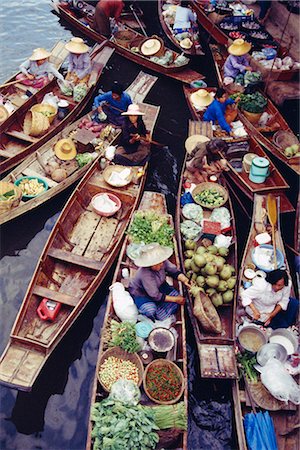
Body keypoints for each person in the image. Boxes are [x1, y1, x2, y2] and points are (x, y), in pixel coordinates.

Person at [129, 243, 191, 321]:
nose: (162, 264)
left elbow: (173, 271)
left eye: (161, 262)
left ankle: (161, 309)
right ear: (150, 265)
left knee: (177, 295)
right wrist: (175, 299)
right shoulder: (145, 274)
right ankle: (158, 312)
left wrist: (184, 280)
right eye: (158, 264)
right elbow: (155, 295)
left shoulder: (162, 262)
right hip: (142, 294)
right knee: (150, 311)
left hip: (160, 286)